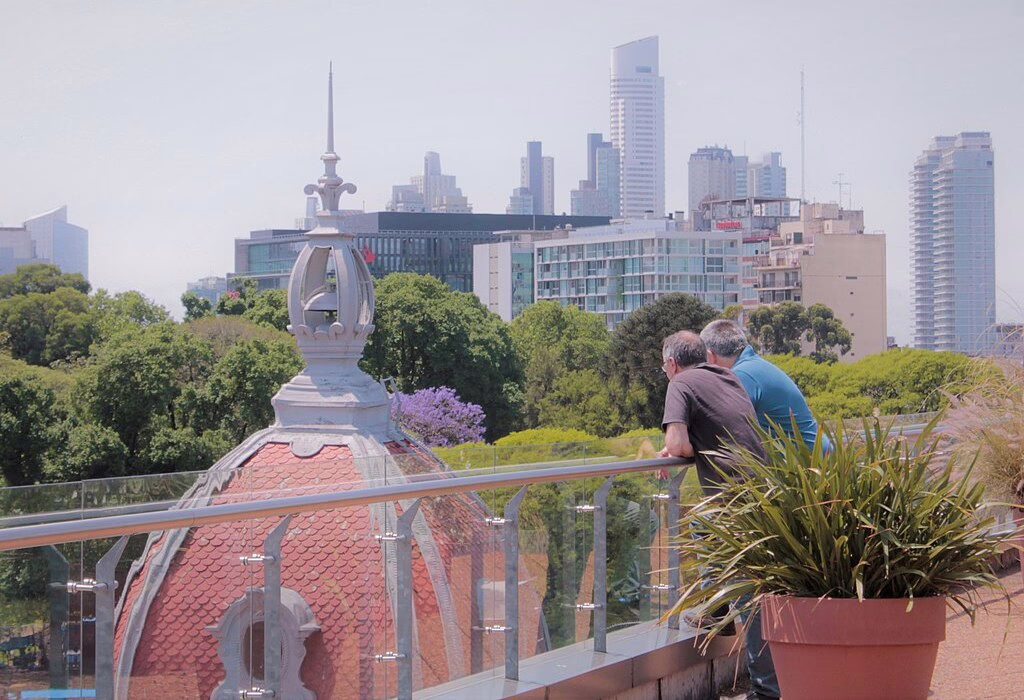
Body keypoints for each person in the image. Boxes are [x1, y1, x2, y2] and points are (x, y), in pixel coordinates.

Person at [698, 318, 830, 700]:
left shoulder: (743, 377)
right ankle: (720, 611)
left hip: (801, 487)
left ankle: (720, 614)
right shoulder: (758, 368)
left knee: (731, 555)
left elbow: (722, 423)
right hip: (811, 482)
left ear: (710, 356)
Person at [700, 319, 831, 453]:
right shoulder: (754, 367)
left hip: (807, 465)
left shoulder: (741, 375)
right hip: (818, 459)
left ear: (710, 357)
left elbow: (720, 426)